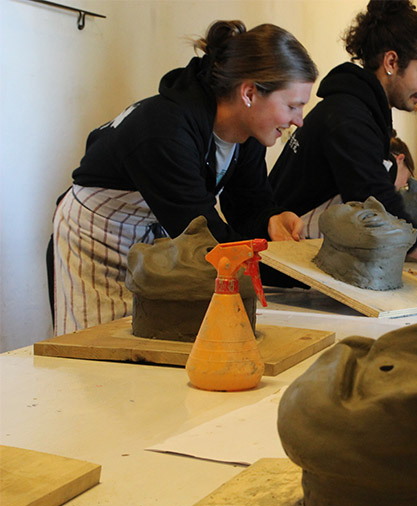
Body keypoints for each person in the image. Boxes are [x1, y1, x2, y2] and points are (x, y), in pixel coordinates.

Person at [52, 21, 318, 335]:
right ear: (249, 93)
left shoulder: (246, 134)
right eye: (293, 106)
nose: (298, 121)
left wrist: (270, 220)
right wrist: (304, 274)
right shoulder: (166, 130)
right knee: (100, 354)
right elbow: (205, 238)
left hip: (160, 228)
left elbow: (249, 206)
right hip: (100, 236)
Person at [269, 0, 417, 269]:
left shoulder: (362, 111)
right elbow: (383, 212)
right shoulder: (348, 118)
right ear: (391, 61)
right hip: (285, 264)